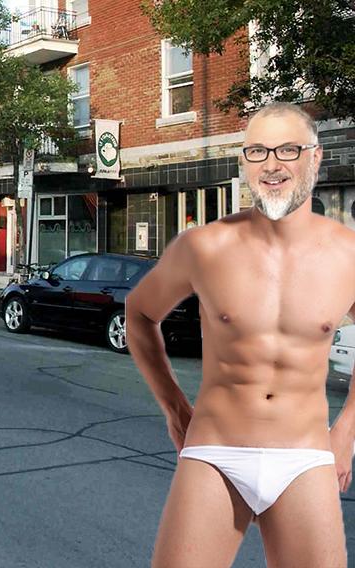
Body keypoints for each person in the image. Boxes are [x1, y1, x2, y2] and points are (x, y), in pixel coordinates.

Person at [126, 102, 352, 567]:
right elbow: (139, 313)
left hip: (304, 457)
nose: (271, 164)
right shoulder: (204, 246)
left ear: (315, 156)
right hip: (216, 451)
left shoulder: (349, 254)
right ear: (244, 162)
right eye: (256, 151)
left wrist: (347, 431)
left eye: (288, 149)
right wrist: (173, 406)